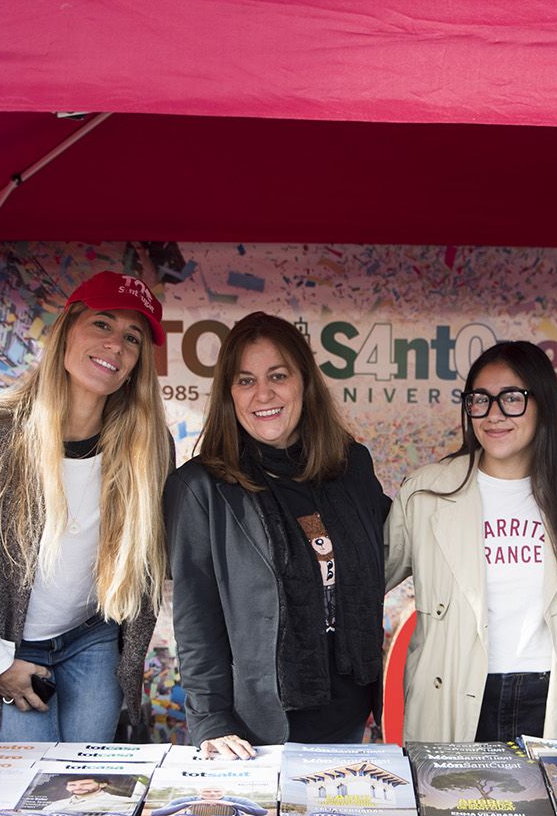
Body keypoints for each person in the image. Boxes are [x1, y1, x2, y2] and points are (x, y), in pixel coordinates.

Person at [0, 271, 171, 742]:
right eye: (102, 324)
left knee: (85, 777)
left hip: (92, 638)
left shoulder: (148, 446)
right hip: (7, 646)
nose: (115, 344)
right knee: (24, 778)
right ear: (66, 330)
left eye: (132, 337)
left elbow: (151, 560)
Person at [164, 312, 389, 758]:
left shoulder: (351, 467)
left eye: (278, 376)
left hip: (349, 714)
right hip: (257, 730)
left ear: (304, 383)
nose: (263, 394)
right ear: (229, 394)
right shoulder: (200, 489)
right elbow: (196, 619)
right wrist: (212, 720)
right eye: (245, 381)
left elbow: (394, 546)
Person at [385, 341, 557, 742]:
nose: (493, 414)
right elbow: (366, 580)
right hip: (458, 691)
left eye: (512, 398)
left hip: (552, 694)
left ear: (543, 405)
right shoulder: (426, 492)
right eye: (480, 400)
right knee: (458, 786)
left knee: (554, 786)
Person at [41, 776, 133, 814]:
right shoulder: (56, 805)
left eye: (86, 784)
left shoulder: (121, 802)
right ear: (66, 787)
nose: (78, 787)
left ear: (103, 784)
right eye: (72, 785)